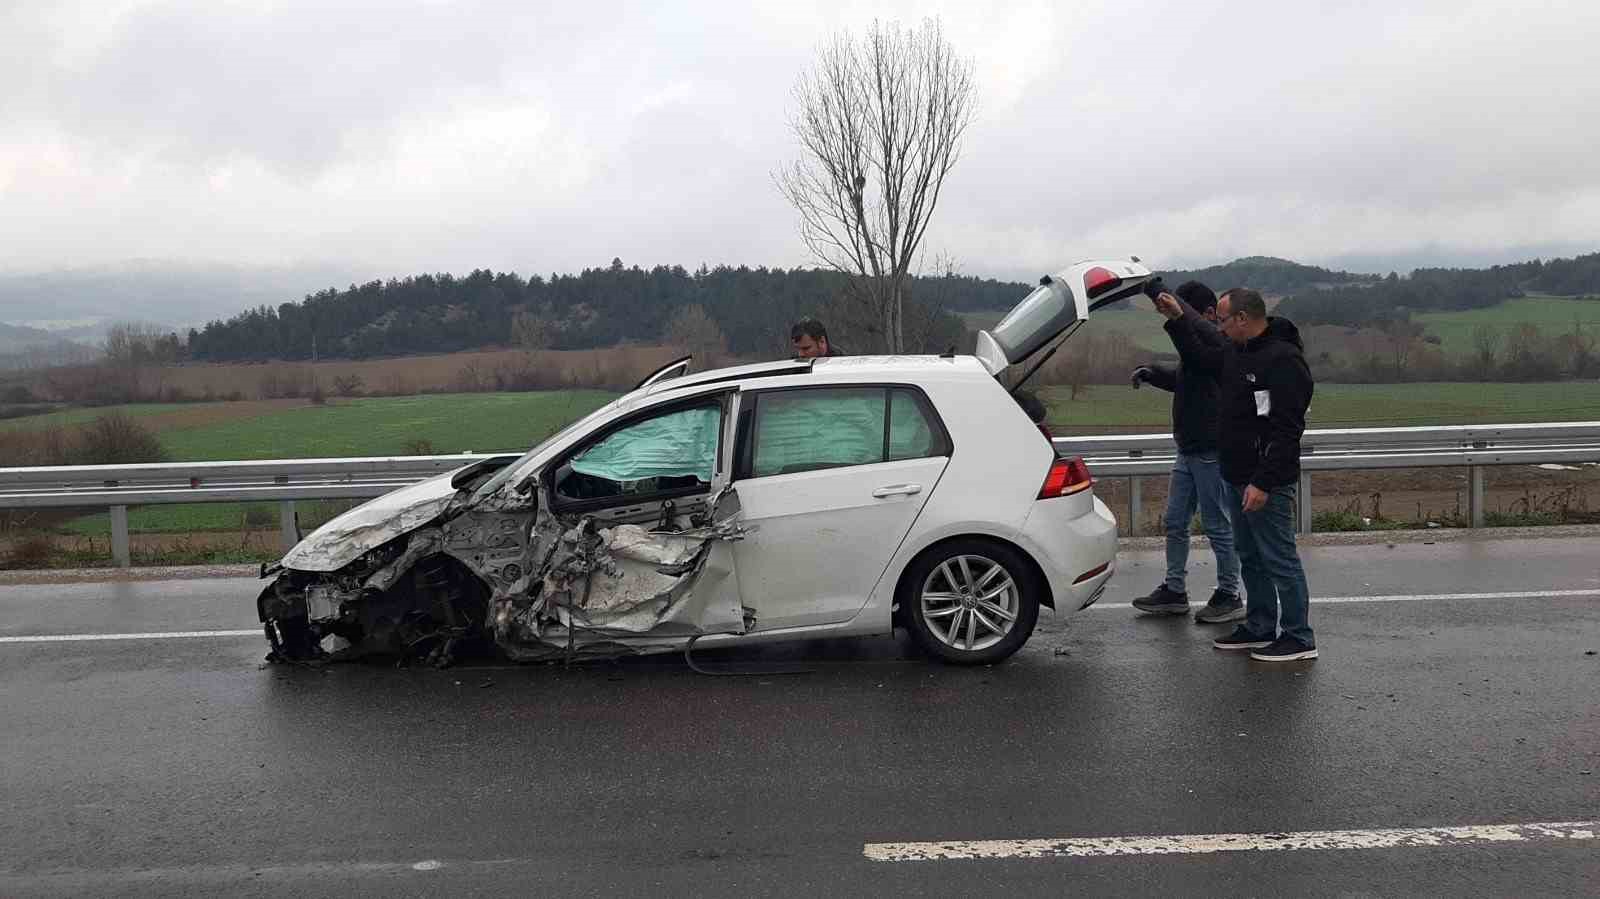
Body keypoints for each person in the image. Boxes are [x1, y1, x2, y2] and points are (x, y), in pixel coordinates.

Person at [1154, 286, 1318, 662]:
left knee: (1279, 557)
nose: (1220, 327)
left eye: (1224, 320)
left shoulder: (1283, 361)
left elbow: (1286, 430)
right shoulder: (1237, 353)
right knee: (1250, 555)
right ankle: (1260, 626)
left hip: (1265, 482)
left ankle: (1298, 636)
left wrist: (1263, 482)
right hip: (1235, 474)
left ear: (1242, 319)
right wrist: (1177, 321)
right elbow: (1201, 359)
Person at [1128, 280, 1243, 623]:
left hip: (1209, 448)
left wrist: (1160, 295)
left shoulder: (1222, 345)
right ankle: (1174, 591)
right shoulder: (1200, 344)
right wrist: (1154, 374)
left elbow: (1198, 359)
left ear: (1208, 314)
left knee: (1217, 524)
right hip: (1189, 448)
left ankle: (1230, 594)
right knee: (1176, 521)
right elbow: (1186, 377)